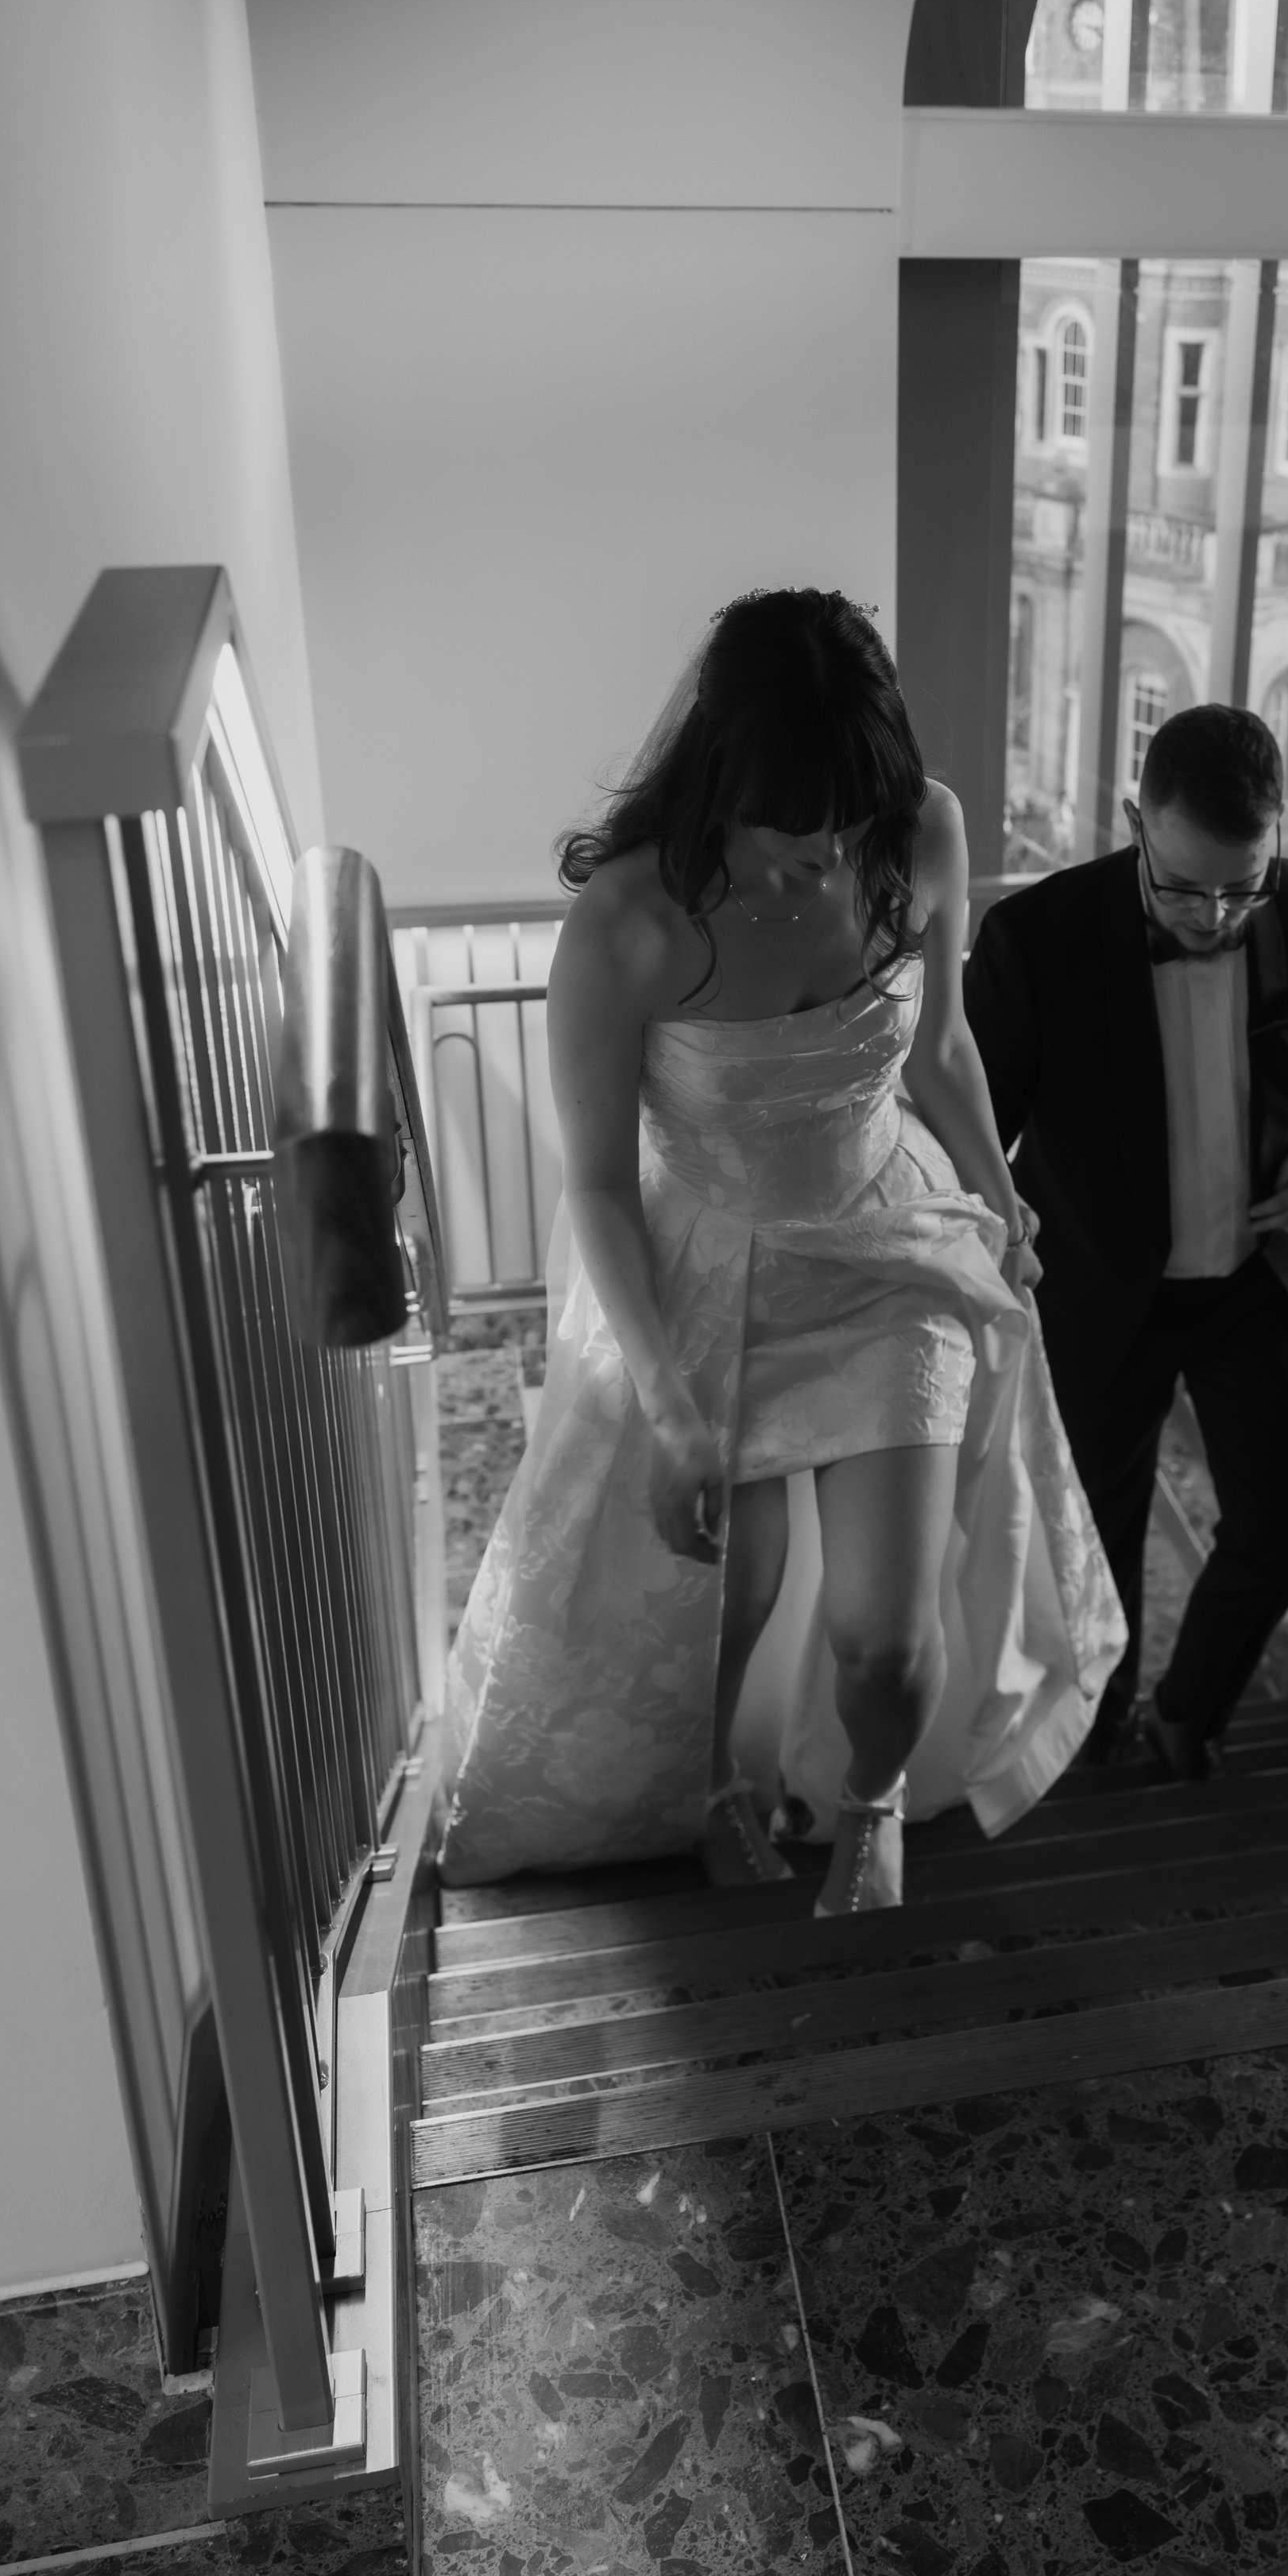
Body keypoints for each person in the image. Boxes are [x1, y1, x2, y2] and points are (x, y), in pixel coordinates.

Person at [436, 591, 1124, 1911]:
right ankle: (710, 1791)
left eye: (841, 831)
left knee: (888, 1636)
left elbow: (944, 1048)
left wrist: (1005, 1202)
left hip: (890, 1242)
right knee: (719, 1611)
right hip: (707, 1263)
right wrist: (668, 1395)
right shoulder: (628, 924)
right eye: (782, 834)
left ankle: (872, 1800)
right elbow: (589, 1181)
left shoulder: (923, 829)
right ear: (719, 783)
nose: (818, 869)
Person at [964, 703, 1288, 1777]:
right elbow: (970, 1125)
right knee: (1096, 1537)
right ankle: (1096, 1730)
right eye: (1185, 885)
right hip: (1101, 1282)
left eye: (1242, 886)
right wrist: (995, 1245)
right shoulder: (1036, 940)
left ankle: (1186, 1712)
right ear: (1131, 820)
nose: (1215, 914)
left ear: (1278, 837)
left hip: (1255, 1272)